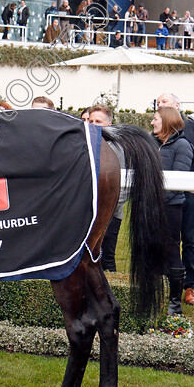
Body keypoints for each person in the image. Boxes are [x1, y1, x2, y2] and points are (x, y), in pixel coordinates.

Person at [156, 93, 194, 305]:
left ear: (177, 105)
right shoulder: (156, 134)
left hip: (190, 197)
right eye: (158, 102)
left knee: (189, 240)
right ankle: (167, 283)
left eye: (164, 101)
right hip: (165, 198)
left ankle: (190, 286)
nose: (160, 104)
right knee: (167, 240)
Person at [151, 107, 193, 315]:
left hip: (170, 208)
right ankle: (152, 297)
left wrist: (155, 199)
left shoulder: (183, 145)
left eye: (156, 119)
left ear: (167, 121)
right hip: (149, 207)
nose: (152, 122)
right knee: (149, 251)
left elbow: (178, 180)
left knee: (171, 252)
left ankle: (174, 303)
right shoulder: (150, 142)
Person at [83, 105, 127, 272]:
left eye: (98, 121)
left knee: (106, 256)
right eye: (90, 120)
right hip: (89, 211)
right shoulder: (86, 144)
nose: (93, 124)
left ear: (108, 125)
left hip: (111, 214)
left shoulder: (116, 148)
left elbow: (122, 185)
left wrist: (108, 208)